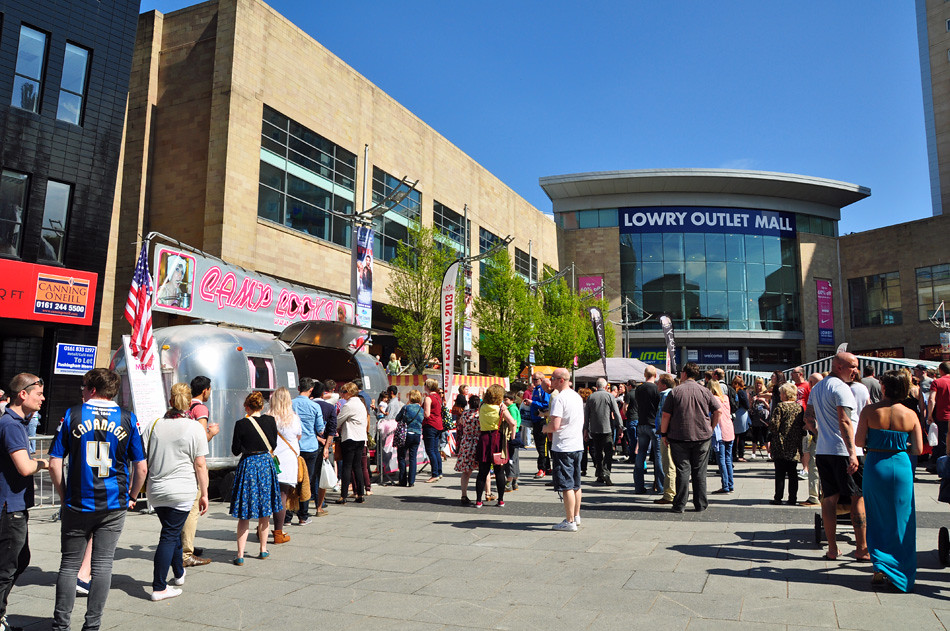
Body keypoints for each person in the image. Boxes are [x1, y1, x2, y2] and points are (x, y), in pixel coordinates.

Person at [49, 368, 147, 631]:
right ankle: (92, 625)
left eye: (83, 386)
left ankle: (61, 625)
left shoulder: (73, 414)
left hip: (78, 501)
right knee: (103, 565)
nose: (81, 391)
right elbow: (141, 467)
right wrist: (133, 496)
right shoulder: (128, 418)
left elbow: (54, 462)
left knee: (69, 565)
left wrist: (62, 494)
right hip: (114, 502)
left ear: (92, 389)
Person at [856, 370, 922, 592]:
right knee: (903, 520)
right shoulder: (911, 414)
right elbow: (919, 449)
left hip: (876, 464)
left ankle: (879, 568)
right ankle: (901, 572)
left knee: (877, 516)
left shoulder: (870, 411)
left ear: (883, 387)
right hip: (901, 466)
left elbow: (858, 440)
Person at [145, 383, 209, 601]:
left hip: (157, 489)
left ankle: (179, 574)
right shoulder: (195, 428)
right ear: (189, 403)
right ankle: (159, 587)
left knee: (171, 531)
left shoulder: (154, 425)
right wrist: (205, 493)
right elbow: (200, 464)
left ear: (170, 401)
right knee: (169, 534)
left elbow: (142, 459)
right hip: (181, 489)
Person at [804, 351, 868, 561]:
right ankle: (861, 548)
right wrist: (852, 453)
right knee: (857, 496)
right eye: (853, 366)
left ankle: (832, 549)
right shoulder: (842, 388)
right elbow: (845, 422)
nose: (856, 371)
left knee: (829, 499)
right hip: (843, 451)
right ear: (839, 366)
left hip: (824, 450)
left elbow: (808, 418)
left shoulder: (818, 387)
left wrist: (820, 434)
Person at [0, 374, 49, 628]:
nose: (42, 398)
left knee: (19, 560)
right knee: (8, 566)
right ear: (23, 394)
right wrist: (45, 462)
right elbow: (24, 467)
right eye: (38, 393)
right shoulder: (11, 424)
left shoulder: (14, 422)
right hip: (10, 508)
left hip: (14, 506)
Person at [660, 362, 722, 514]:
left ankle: (680, 504)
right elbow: (718, 411)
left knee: (682, 471)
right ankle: (700, 504)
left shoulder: (675, 392)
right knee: (699, 471)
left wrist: (663, 434)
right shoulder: (705, 391)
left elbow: (666, 415)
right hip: (702, 436)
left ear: (684, 374)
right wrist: (711, 428)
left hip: (679, 436)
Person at [229, 391, 282, 565]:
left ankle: (240, 554)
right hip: (266, 465)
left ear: (247, 406)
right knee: (265, 510)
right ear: (261, 406)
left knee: (244, 513)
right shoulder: (270, 421)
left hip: (248, 465)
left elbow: (236, 450)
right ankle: (263, 549)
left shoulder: (241, 424)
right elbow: (273, 444)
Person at [182, 375, 219, 568]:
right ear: (205, 390)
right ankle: (187, 551)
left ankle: (185, 545)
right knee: (193, 509)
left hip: (180, 460)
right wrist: (212, 433)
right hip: (193, 462)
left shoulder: (185, 406)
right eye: (210, 389)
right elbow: (200, 439)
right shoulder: (201, 409)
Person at [543, 368, 585, 531]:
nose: (550, 381)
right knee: (576, 484)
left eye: (552, 378)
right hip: (577, 445)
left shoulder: (559, 399)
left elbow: (555, 425)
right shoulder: (576, 396)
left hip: (564, 446)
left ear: (561, 380)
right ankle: (576, 516)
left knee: (567, 485)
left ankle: (569, 521)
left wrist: (544, 429)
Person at [475, 385, 516, 508]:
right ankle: (501, 500)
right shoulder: (501, 409)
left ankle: (478, 500)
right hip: (497, 439)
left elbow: (481, 397)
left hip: (483, 439)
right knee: (499, 471)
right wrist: (512, 438)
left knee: (482, 471)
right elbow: (513, 423)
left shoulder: (481, 406)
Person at [269, 387, 301, 544]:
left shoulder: (267, 417)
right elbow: (299, 435)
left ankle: (262, 527)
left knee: (267, 496)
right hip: (287, 461)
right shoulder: (293, 418)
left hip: (270, 459)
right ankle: (278, 532)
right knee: (282, 495)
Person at [291, 378, 324, 525]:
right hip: (310, 446)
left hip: (294, 447)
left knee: (291, 481)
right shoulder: (315, 406)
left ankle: (287, 515)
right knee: (307, 481)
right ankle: (303, 515)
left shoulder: (290, 404)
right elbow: (320, 429)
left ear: (299, 387)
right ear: (311, 389)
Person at [768, 382, 805, 505]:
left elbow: (774, 425)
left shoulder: (780, 407)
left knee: (780, 473)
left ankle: (778, 497)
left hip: (781, 442)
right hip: (794, 443)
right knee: (792, 473)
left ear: (785, 394)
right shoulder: (799, 407)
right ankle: (792, 498)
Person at [584, 378, 622, 486]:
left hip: (594, 429)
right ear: (605, 387)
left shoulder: (591, 397)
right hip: (607, 428)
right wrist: (620, 426)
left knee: (598, 452)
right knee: (608, 452)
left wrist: (585, 429)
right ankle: (606, 473)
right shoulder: (610, 396)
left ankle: (600, 474)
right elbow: (616, 412)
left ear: (596, 386)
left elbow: (586, 415)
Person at [337, 382, 368, 503]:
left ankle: (343, 495)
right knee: (357, 466)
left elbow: (339, 420)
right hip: (361, 437)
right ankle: (360, 494)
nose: (342, 394)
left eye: (344, 392)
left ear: (350, 393)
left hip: (350, 437)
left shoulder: (348, 405)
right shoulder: (361, 404)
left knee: (347, 466)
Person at [634, 368, 662, 494]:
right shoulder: (657, 389)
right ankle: (660, 486)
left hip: (641, 423)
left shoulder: (639, 389)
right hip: (654, 424)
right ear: (655, 375)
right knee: (658, 455)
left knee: (641, 454)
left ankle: (639, 486)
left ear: (644, 374)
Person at [311, 381, 336, 515]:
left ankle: (302, 505)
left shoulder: (309, 405)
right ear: (323, 393)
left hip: (308, 444)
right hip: (323, 445)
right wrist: (327, 446)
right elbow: (332, 430)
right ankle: (319, 506)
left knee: (309, 476)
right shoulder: (329, 407)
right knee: (322, 475)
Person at [707, 379, 735, 494]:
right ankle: (730, 484)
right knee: (728, 459)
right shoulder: (726, 398)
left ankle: (725, 485)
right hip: (729, 429)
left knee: (721, 459)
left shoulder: (713, 399)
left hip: (720, 431)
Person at [652, 374, 676, 505]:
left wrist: (663, 433)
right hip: (672, 434)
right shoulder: (671, 394)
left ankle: (669, 494)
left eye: (659, 382)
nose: (657, 385)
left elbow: (664, 416)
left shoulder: (666, 396)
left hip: (666, 434)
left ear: (664, 385)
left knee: (668, 464)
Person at [395, 390, 425, 488]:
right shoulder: (421, 409)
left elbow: (397, 418)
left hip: (406, 434)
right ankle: (411, 481)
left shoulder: (406, 407)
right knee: (413, 458)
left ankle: (402, 480)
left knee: (401, 457)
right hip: (417, 434)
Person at [529, 372, 551, 477]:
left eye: (535, 379)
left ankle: (542, 468)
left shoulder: (544, 390)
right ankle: (546, 467)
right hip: (535, 420)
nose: (533, 381)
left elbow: (546, 404)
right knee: (539, 445)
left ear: (541, 380)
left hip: (542, 419)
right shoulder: (535, 389)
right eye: (533, 379)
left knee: (542, 445)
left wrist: (532, 403)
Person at [422, 379, 444, 483]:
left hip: (430, 424)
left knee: (430, 450)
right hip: (438, 425)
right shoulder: (438, 397)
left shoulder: (428, 398)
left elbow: (427, 414)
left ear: (427, 386)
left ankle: (434, 474)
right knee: (435, 450)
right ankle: (439, 472)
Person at [503, 391, 523, 492]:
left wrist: (512, 437)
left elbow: (513, 423)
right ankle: (515, 482)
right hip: (514, 435)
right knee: (514, 458)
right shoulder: (512, 408)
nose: (504, 401)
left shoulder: (512, 409)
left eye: (506, 399)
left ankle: (509, 482)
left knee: (511, 459)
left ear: (512, 400)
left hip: (512, 435)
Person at [732, 376, 750, 462]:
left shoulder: (732, 391)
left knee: (734, 436)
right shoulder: (742, 392)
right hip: (742, 413)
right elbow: (747, 405)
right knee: (742, 435)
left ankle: (734, 454)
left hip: (735, 413)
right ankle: (741, 455)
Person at [622, 379, 639, 463]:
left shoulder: (628, 394)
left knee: (632, 440)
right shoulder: (639, 393)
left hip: (631, 418)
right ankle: (637, 457)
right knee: (638, 439)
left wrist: (626, 415)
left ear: (629, 386)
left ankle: (632, 458)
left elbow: (625, 407)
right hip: (638, 418)